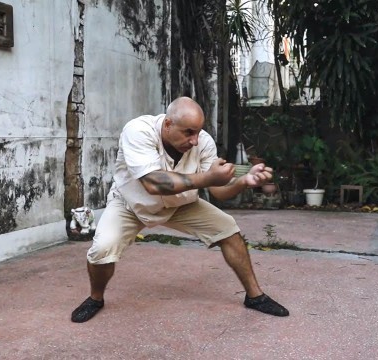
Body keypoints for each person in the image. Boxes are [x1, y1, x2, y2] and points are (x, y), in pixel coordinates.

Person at [71, 96, 289, 323]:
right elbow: (154, 184)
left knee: (228, 230)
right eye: (189, 132)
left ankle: (255, 296)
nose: (195, 140)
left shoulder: (203, 142)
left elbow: (217, 191)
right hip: (130, 203)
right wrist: (207, 178)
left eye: (198, 132)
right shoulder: (138, 130)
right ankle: (95, 298)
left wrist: (243, 182)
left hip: (181, 204)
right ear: (167, 125)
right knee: (102, 249)